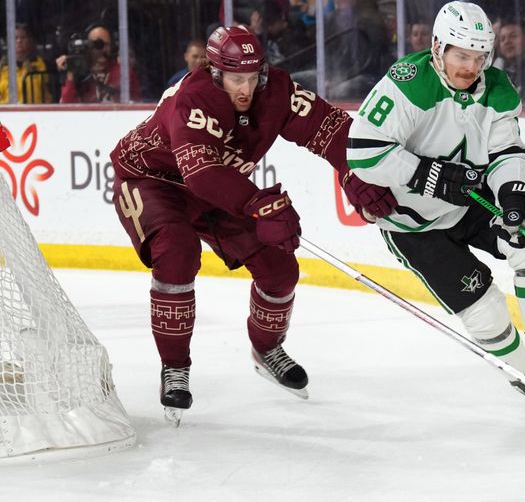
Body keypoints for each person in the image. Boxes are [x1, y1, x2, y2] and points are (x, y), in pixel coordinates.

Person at [109, 26, 396, 421]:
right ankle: (174, 366)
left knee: (280, 269)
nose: (245, 89)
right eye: (235, 79)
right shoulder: (193, 98)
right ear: (214, 72)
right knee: (177, 253)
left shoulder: (275, 91)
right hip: (155, 181)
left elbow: (330, 129)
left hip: (219, 185)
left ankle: (266, 348)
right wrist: (258, 203)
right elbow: (203, 174)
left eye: (251, 77)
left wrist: (352, 172)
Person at [346, 1, 525, 406]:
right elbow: (362, 151)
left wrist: (516, 192)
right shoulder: (409, 82)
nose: (470, 66)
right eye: (461, 55)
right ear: (437, 48)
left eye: (479, 56)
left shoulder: (497, 88)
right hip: (412, 226)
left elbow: (507, 151)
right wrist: (429, 175)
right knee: (485, 309)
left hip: (468, 202)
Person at [55, 23, 141, 103]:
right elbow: (66, 106)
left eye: (106, 45)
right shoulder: (79, 74)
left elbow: (137, 104)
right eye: (97, 45)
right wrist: (71, 73)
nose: (102, 49)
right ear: (87, 46)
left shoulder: (123, 72)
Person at [0, 24, 53, 104]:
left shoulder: (40, 64)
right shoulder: (3, 67)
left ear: (30, 41)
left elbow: (48, 92)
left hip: (35, 113)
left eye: (23, 37)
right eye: (15, 38)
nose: (19, 41)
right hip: (8, 114)